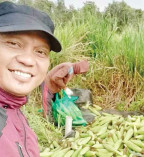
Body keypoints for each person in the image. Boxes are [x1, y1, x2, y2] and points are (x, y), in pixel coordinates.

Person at [0, 1, 88, 157]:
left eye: (40, 52)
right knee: (46, 105)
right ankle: (47, 120)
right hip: (47, 85)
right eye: (13, 43)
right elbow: (57, 79)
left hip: (49, 86)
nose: (28, 60)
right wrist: (56, 87)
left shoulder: (13, 110)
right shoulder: (66, 68)